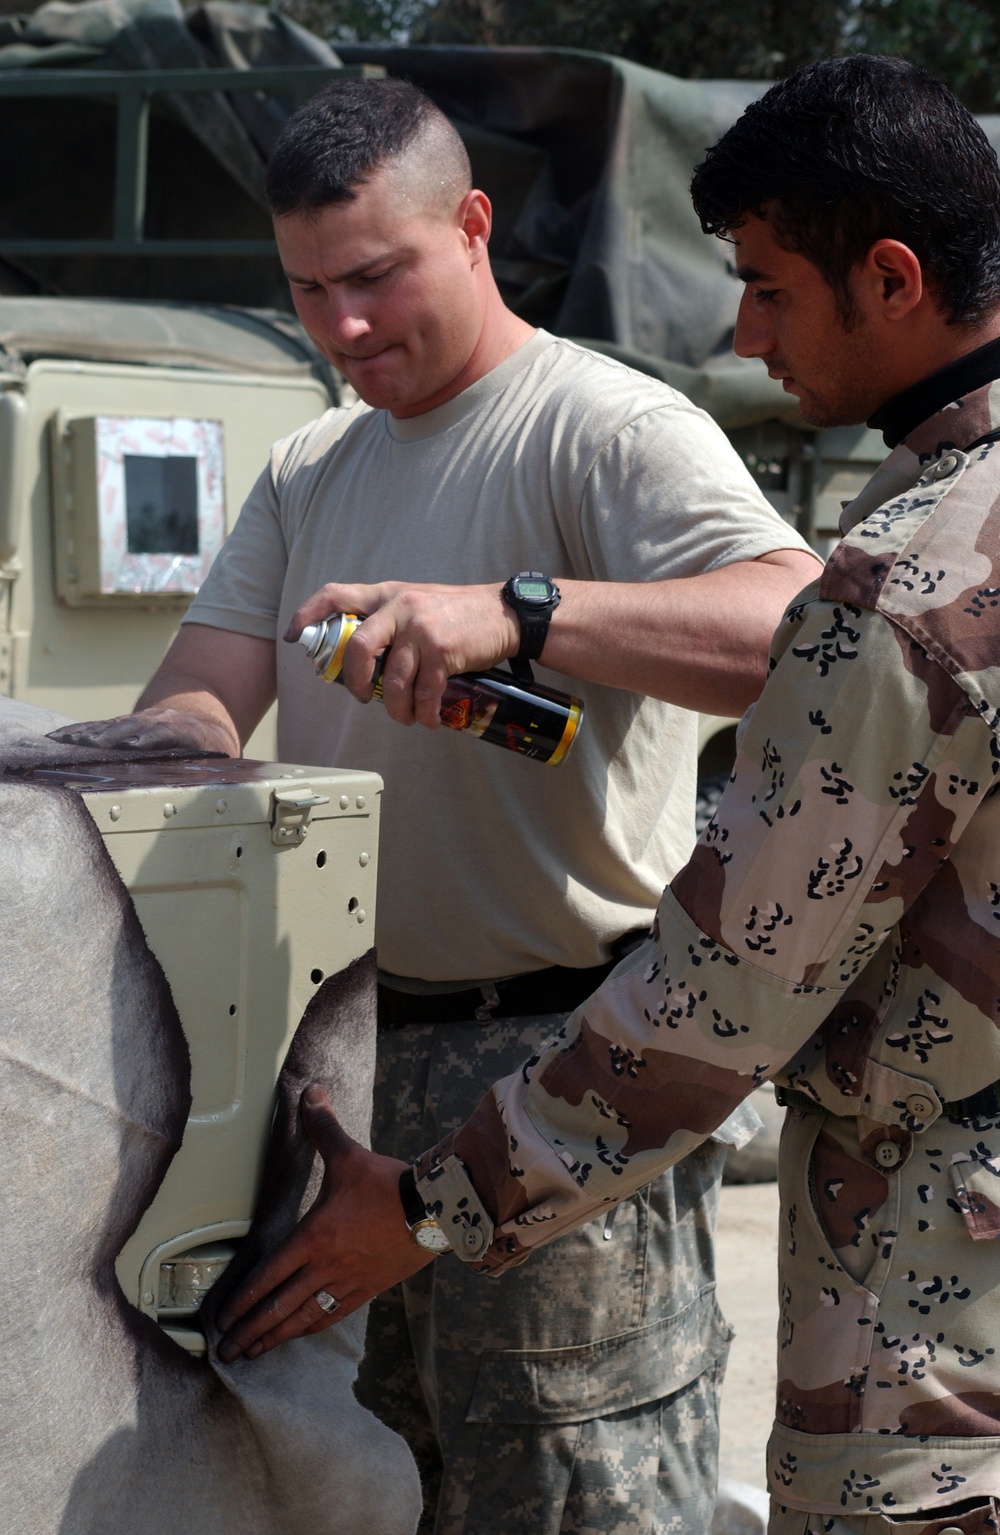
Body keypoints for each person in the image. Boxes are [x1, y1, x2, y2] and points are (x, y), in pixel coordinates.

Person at [213, 56, 1000, 1535]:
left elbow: (734, 984)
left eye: (766, 289)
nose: (737, 331)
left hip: (898, 1248)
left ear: (891, 277)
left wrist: (438, 1205)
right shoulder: (311, 461)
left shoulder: (911, 569)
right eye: (310, 291)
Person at [53, 79, 818, 1534]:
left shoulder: (605, 428)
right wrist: (167, 747)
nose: (339, 327)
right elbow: (197, 699)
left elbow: (792, 627)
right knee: (368, 1486)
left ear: (472, 228)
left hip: (558, 1065)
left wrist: (516, 616)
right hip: (334, 1061)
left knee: (576, 1485)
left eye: (374, 277)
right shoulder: (309, 468)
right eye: (304, 290)